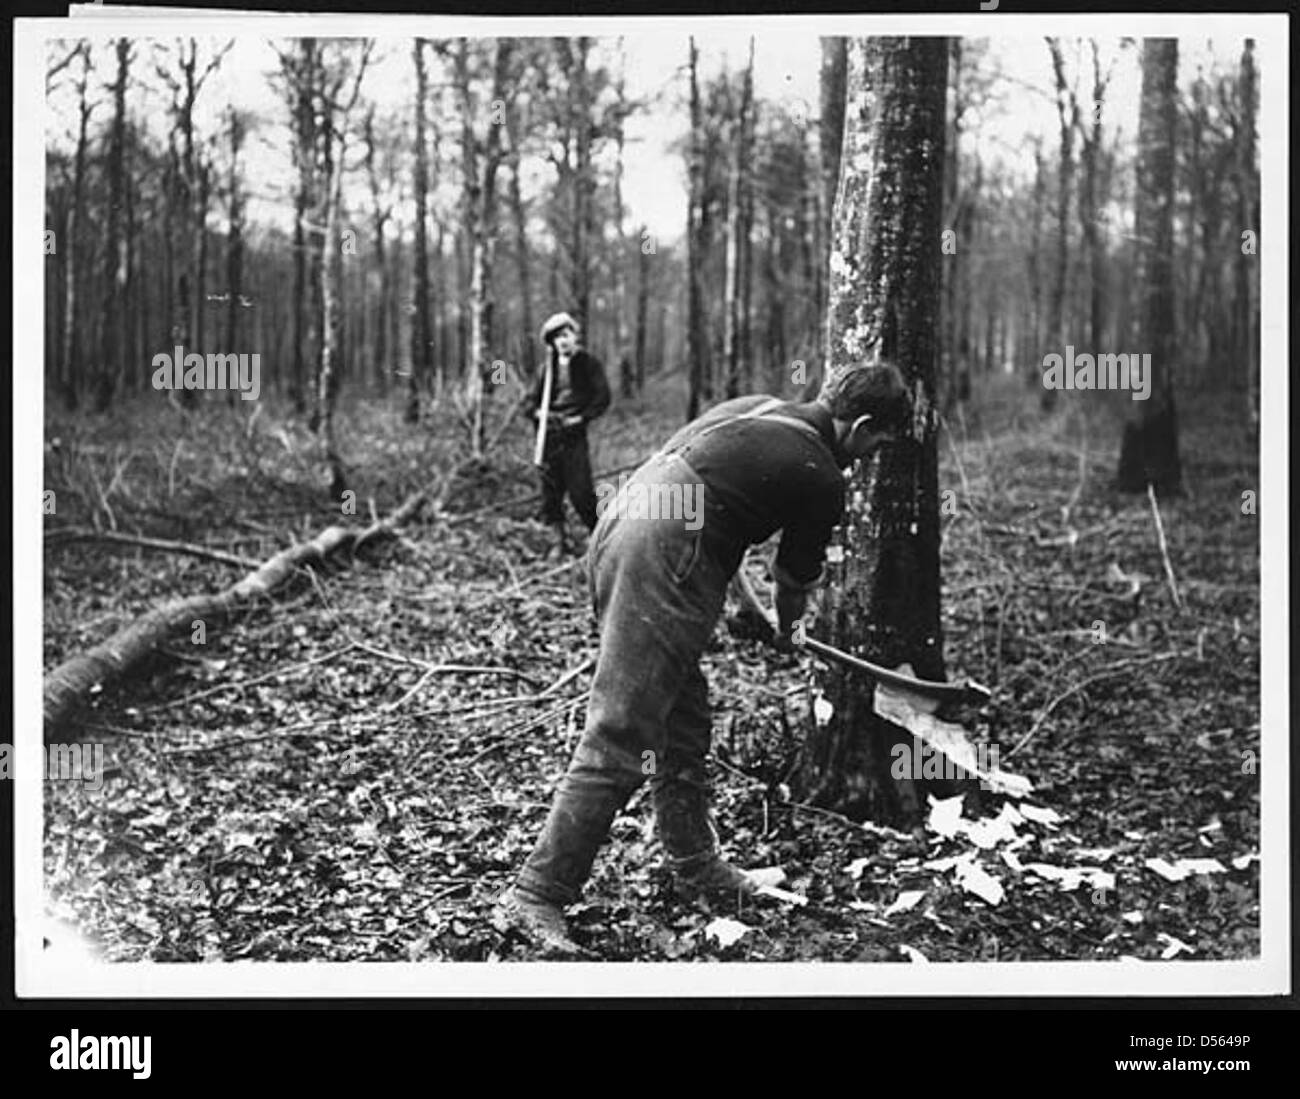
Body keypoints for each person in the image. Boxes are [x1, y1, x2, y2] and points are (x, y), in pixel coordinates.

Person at [493, 360, 912, 955]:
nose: (868, 459)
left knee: (683, 718)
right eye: (874, 446)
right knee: (623, 732)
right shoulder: (822, 474)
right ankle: (535, 894)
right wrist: (789, 629)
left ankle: (695, 866)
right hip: (662, 555)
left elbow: (707, 503)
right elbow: (792, 578)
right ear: (862, 424)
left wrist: (745, 608)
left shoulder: (758, 410)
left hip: (624, 525)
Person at [523, 312, 611, 557]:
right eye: (556, 338)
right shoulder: (546, 370)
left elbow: (602, 397)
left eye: (566, 335)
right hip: (549, 436)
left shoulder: (588, 364)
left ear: (575, 335)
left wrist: (581, 418)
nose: (562, 341)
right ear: (551, 343)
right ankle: (559, 541)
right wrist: (538, 413)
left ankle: (601, 539)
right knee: (550, 492)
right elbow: (529, 401)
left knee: (581, 491)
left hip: (573, 435)